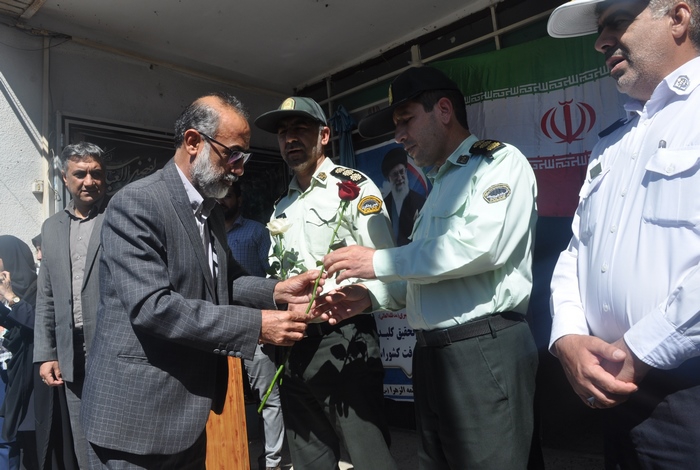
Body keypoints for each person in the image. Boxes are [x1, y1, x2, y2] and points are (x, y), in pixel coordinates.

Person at [80, 92, 324, 469]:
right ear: (194, 142)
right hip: (135, 422)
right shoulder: (138, 203)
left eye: (244, 158)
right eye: (233, 155)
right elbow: (153, 308)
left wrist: (277, 291)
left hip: (186, 420)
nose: (239, 169)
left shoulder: (208, 211)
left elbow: (224, 281)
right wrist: (257, 326)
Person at [322, 67, 539, 469]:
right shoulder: (437, 186)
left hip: (482, 350)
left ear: (443, 110)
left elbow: (481, 248)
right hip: (430, 357)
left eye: (406, 120)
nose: (399, 135)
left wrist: (377, 261)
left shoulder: (497, 163)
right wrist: (368, 299)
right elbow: (425, 279)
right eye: (396, 126)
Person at [546, 0, 700, 467]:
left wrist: (640, 348)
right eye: (600, 30)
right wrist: (567, 336)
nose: (601, 43)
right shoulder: (611, 142)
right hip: (614, 390)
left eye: (616, 23)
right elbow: (577, 250)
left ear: (678, 18)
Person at [254, 96, 399, 470]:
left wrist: (363, 297)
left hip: (345, 340)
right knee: (309, 460)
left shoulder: (354, 188)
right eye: (283, 132)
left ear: (324, 135)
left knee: (370, 458)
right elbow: (277, 275)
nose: (290, 138)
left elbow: (388, 264)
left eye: (300, 128)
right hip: (295, 345)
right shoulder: (281, 206)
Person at [34, 141, 107, 469]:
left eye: (96, 173)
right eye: (80, 174)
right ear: (65, 178)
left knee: (116, 443)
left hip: (113, 350)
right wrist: (46, 353)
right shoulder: (51, 228)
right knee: (82, 443)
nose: (89, 181)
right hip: (70, 353)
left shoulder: (119, 218)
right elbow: (46, 296)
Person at [218, 182, 284, 470]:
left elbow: (272, 280)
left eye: (228, 196)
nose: (222, 202)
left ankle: (272, 462)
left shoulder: (256, 232)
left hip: (256, 329)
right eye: (218, 197)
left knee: (267, 397)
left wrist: (268, 320)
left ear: (239, 199)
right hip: (219, 329)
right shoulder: (207, 234)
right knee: (222, 399)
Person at [0, 236, 40, 470]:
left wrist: (11, 297)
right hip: (8, 377)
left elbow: (41, 325)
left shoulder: (38, 289)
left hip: (31, 379)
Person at [381, 147, 425, 246]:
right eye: (395, 174)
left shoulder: (420, 202)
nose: (400, 177)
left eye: (401, 172)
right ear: (389, 178)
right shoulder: (383, 206)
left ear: (406, 171)